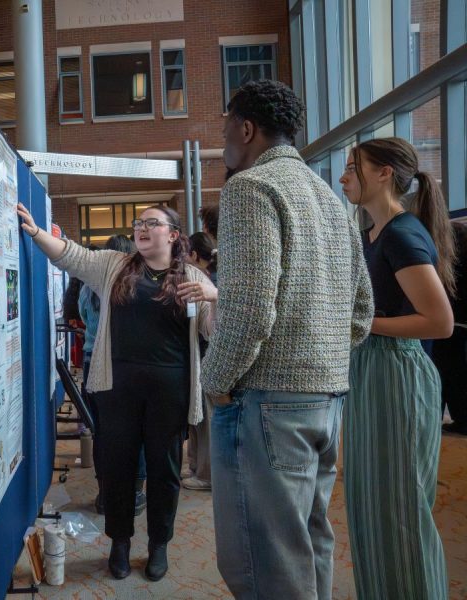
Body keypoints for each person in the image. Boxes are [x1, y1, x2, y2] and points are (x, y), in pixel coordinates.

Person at [200, 79, 373, 600]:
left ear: (246, 128)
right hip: (326, 402)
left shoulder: (250, 188)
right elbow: (362, 309)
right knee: (309, 543)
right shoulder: (327, 195)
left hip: (267, 404)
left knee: (262, 564)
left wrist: (214, 382)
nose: (225, 138)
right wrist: (320, 356)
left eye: (227, 126)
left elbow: (249, 310)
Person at [16, 202, 214, 582]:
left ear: (173, 235)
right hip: (117, 387)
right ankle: (119, 543)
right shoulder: (116, 266)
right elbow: (71, 256)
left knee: (164, 471)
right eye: (139, 223)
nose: (141, 228)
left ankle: (159, 545)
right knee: (118, 469)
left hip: (170, 391)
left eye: (151, 223)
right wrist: (37, 232)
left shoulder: (191, 276)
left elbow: (212, 332)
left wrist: (212, 297)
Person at [339, 137, 454, 599]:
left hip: (396, 375)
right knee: (371, 509)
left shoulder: (403, 233)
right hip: (371, 371)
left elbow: (439, 321)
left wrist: (359, 322)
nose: (345, 175)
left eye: (354, 166)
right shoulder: (374, 233)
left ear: (384, 172)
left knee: (399, 513)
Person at [78, 235, 147, 516]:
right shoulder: (137, 285)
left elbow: (83, 317)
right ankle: (135, 494)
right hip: (125, 363)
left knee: (102, 431)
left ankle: (105, 494)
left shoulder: (91, 285)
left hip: (92, 360)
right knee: (136, 431)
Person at [182, 232, 218, 491]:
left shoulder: (209, 282)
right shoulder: (210, 277)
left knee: (204, 420)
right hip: (204, 357)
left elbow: (209, 327)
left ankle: (205, 473)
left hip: (207, 358)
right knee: (197, 418)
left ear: (194, 255)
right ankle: (196, 466)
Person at [433, 221, 467, 435]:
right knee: (457, 375)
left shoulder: (449, 264)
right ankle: (461, 418)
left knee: (444, 374)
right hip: (458, 326)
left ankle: (439, 417)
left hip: (449, 327)